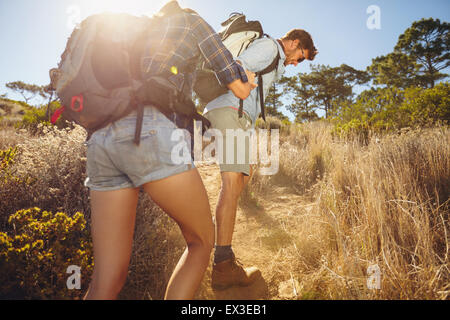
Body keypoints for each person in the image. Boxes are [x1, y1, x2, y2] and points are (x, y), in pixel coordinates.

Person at [83, 0, 257, 300]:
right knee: (201, 241)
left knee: (107, 279)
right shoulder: (192, 22)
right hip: (151, 128)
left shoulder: (140, 28)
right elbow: (237, 86)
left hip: (101, 139)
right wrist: (249, 81)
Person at [203, 29, 317, 290]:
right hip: (231, 110)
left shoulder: (275, 59)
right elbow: (238, 66)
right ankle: (222, 264)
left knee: (242, 178)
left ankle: (221, 249)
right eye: (300, 56)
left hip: (237, 116)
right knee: (231, 185)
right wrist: (247, 81)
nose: (297, 63)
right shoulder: (269, 48)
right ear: (293, 43)